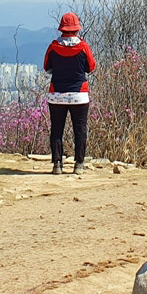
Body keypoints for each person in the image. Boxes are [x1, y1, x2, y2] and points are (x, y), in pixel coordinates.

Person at [43, 12, 96, 174]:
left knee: (56, 130)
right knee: (80, 130)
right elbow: (91, 67)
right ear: (77, 29)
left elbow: (47, 68)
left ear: (61, 29)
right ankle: (79, 164)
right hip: (79, 95)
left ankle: (57, 164)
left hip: (57, 94)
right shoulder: (83, 47)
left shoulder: (53, 47)